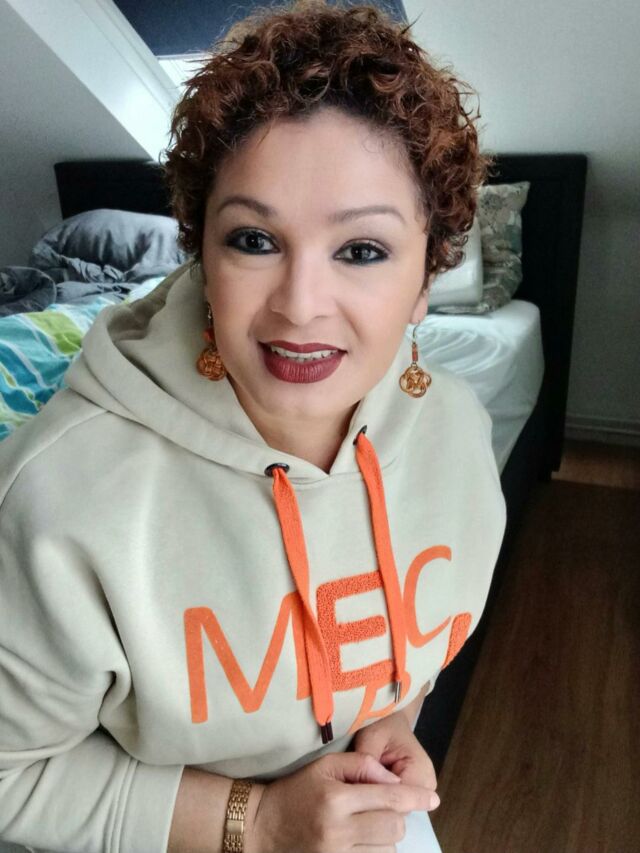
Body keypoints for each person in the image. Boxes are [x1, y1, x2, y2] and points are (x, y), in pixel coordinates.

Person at [0, 1, 506, 851]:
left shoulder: (453, 430)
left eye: (362, 250)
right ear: (201, 253)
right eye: (254, 240)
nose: (300, 306)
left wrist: (389, 713)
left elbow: (410, 638)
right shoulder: (60, 498)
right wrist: (257, 821)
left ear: (427, 277)